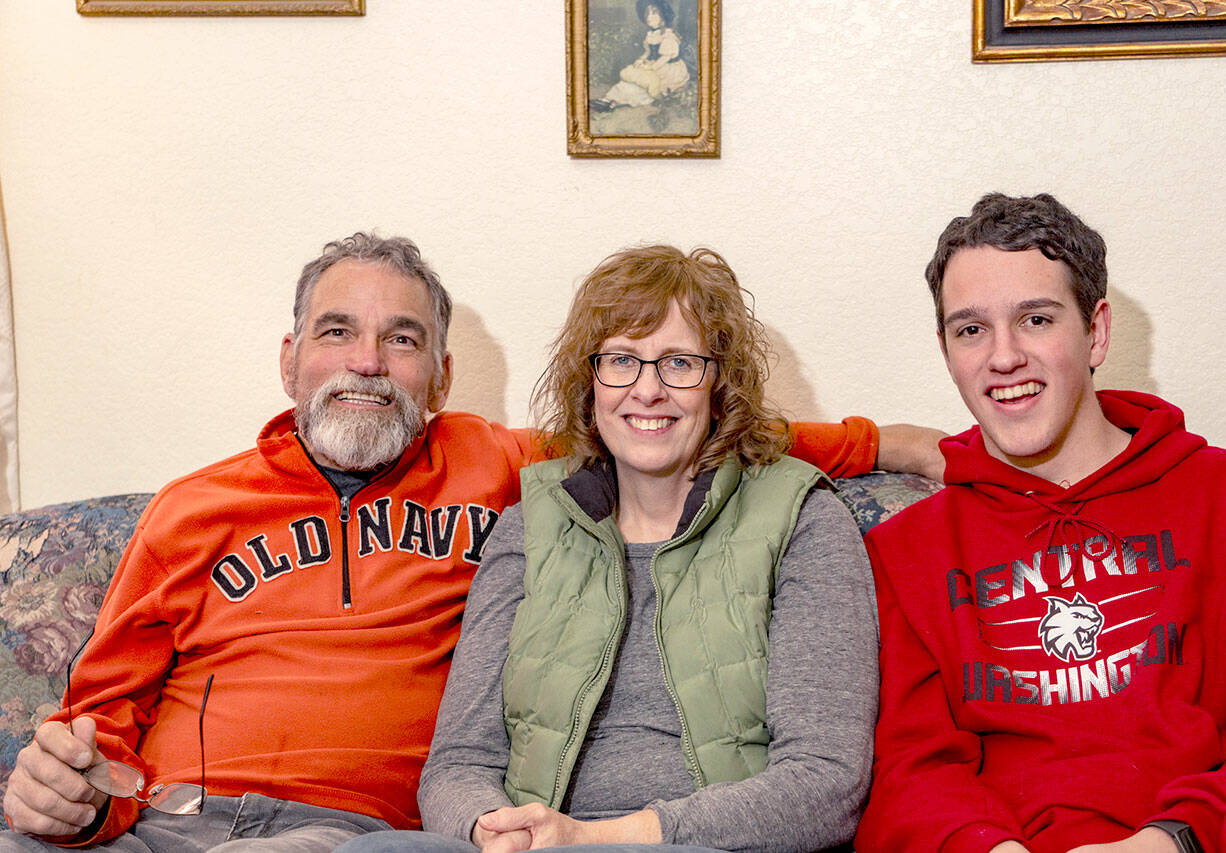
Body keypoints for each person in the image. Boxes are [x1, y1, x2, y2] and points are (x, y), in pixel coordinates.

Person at [1, 233, 938, 852]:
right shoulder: (190, 507)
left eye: (401, 339)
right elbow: (95, 729)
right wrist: (70, 793)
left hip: (358, 837)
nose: (368, 361)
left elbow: (678, 429)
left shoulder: (496, 468)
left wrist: (884, 443)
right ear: (290, 356)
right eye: (338, 332)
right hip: (176, 821)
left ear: (442, 374)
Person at [337, 245, 879, 853]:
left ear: (720, 382)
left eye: (678, 362)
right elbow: (459, 763)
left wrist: (593, 837)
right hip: (532, 848)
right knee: (377, 850)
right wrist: (496, 831)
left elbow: (825, 784)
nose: (647, 391)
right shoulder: (529, 527)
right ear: (589, 382)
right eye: (621, 360)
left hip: (703, 846)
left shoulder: (804, 520)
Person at [855, 193, 1226, 853]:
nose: (1003, 357)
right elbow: (910, 769)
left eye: (1035, 319)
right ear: (946, 350)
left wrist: (1170, 843)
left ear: (1097, 332)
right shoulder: (903, 551)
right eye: (971, 329)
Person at [590, 1, 690, 112]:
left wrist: (651, 68)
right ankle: (607, 99)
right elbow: (647, 53)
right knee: (630, 80)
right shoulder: (651, 35)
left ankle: (613, 102)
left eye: (653, 14)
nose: (649, 17)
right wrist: (641, 59)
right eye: (647, 14)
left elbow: (665, 58)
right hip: (654, 64)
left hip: (668, 69)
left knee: (643, 88)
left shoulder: (668, 36)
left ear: (663, 17)